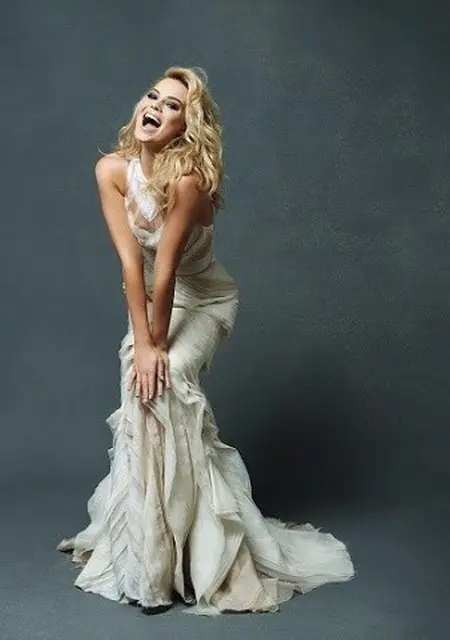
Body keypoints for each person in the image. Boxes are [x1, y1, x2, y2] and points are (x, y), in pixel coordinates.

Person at [56, 65, 355, 616]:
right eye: (153, 96)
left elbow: (168, 270)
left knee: (167, 378)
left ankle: (206, 553)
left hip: (204, 299)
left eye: (173, 106)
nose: (156, 107)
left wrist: (156, 347)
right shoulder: (111, 170)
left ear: (185, 128)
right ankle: (149, 555)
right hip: (152, 296)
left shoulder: (187, 182)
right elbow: (132, 265)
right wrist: (143, 344)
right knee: (137, 378)